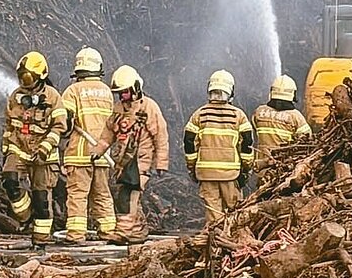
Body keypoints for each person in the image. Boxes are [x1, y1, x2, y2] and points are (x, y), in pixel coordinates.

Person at [93, 64, 169, 244]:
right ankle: (137, 232)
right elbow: (108, 133)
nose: (123, 97)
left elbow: (161, 135)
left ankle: (124, 233)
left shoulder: (149, 107)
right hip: (123, 162)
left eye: (125, 92)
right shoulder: (118, 109)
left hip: (141, 161)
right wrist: (98, 150)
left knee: (128, 195)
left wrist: (161, 163)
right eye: (120, 93)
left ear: (135, 88)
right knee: (127, 195)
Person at [1, 52, 68, 247]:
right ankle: (25, 215)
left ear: (40, 76)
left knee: (42, 199)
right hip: (19, 148)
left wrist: (45, 147)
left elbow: (59, 126)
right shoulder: (15, 96)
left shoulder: (53, 97)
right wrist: (6, 146)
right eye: (22, 76)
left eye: (28, 77)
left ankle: (40, 240)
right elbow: (9, 124)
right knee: (9, 179)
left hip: (44, 157)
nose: (24, 81)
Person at [59, 47, 116, 243]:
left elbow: (65, 123)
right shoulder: (107, 92)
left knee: (77, 195)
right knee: (102, 195)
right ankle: (109, 232)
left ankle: (76, 235)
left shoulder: (72, 91)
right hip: (102, 154)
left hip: (79, 154)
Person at [183, 69, 253, 226]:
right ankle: (233, 244)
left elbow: (188, 142)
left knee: (214, 218)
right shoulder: (238, 115)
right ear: (231, 90)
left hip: (206, 174)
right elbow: (247, 145)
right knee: (235, 213)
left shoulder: (199, 115)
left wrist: (192, 167)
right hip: (231, 174)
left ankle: (216, 246)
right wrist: (246, 169)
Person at [252, 75, 312, 175]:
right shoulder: (296, 117)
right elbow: (307, 142)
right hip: (285, 170)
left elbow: (254, 130)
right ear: (293, 94)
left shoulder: (259, 112)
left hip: (262, 169)